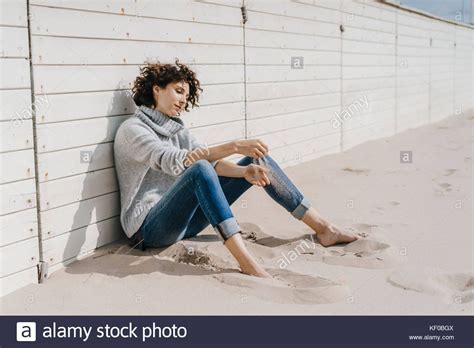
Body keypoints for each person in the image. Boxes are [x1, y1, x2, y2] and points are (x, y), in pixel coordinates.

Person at [114, 59, 358, 278]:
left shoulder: (177, 129)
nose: (182, 101)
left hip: (186, 223)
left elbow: (212, 164)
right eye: (178, 91)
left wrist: (243, 172)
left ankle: (325, 229)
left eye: (186, 97)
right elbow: (174, 160)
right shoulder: (133, 129)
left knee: (257, 160)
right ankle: (246, 261)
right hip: (150, 230)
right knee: (199, 168)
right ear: (156, 89)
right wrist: (236, 145)